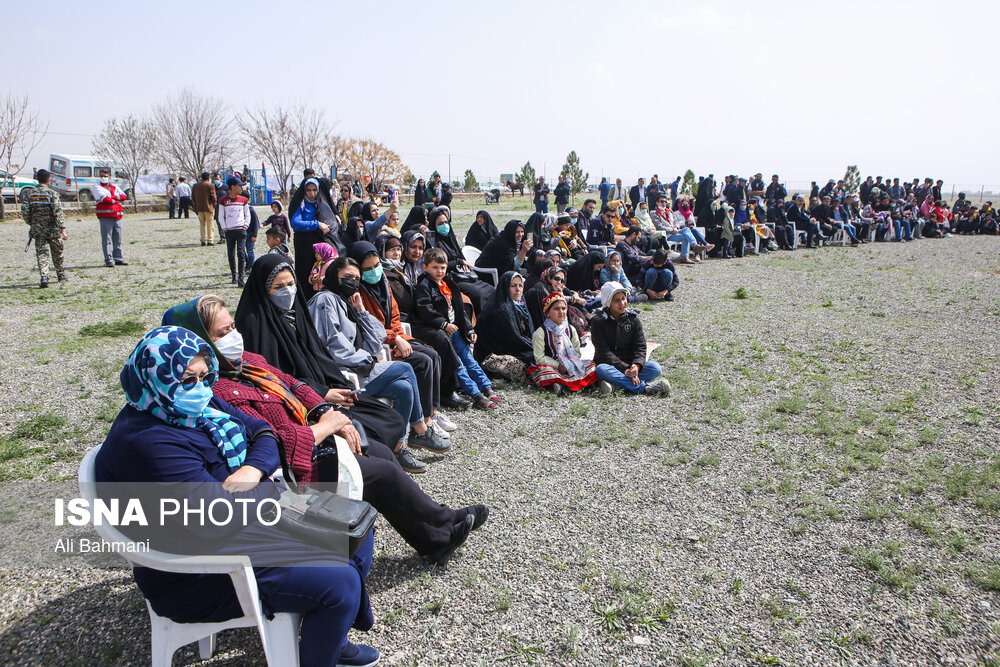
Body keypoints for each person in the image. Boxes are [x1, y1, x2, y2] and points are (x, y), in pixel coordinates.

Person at [97, 325, 383, 667]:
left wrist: (252, 471)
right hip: (199, 568)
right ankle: (327, 642)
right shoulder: (150, 441)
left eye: (205, 376)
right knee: (340, 581)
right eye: (187, 379)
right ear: (154, 378)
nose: (200, 388)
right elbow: (215, 517)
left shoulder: (192, 408)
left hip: (243, 517)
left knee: (356, 524)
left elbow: (263, 431)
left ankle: (332, 636)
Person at [165, 296, 488, 561]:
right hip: (286, 474)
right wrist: (324, 428)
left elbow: (293, 384)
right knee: (380, 474)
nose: (234, 337)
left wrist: (325, 409)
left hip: (309, 438)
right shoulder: (215, 389)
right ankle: (439, 532)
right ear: (200, 341)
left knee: (377, 451)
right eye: (222, 334)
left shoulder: (246, 362)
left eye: (233, 326)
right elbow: (266, 442)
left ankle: (436, 535)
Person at [234, 254, 408, 455]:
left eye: (291, 284)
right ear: (264, 291)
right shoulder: (255, 326)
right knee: (372, 436)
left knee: (389, 417)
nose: (288, 291)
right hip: (301, 404)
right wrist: (322, 394)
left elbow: (319, 356)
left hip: (325, 389)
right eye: (278, 287)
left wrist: (341, 387)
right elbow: (275, 378)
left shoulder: (296, 315)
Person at [308, 257, 450, 467]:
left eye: (356, 278)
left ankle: (396, 448)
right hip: (343, 373)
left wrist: (362, 310)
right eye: (347, 277)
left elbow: (376, 339)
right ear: (333, 276)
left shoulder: (346, 302)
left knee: (403, 388)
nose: (353, 282)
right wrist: (366, 358)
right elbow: (332, 347)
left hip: (360, 366)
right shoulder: (325, 301)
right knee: (405, 367)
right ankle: (420, 430)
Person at [351, 241, 454, 439]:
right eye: (368, 268)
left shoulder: (383, 283)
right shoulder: (359, 292)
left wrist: (398, 336)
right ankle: (422, 421)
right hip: (381, 343)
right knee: (423, 362)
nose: (374, 271)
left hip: (396, 336)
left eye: (376, 265)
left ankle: (431, 412)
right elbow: (370, 326)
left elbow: (395, 315)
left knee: (433, 354)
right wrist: (394, 339)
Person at [384, 233, 469, 411]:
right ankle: (448, 389)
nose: (398, 254)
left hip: (422, 315)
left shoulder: (409, 269)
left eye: (420, 248)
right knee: (440, 338)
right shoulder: (390, 274)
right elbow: (410, 302)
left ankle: (459, 380)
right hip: (408, 320)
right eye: (392, 250)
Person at [416, 247, 498, 410]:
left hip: (456, 331)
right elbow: (424, 309)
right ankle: (476, 395)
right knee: (457, 363)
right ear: (425, 267)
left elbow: (459, 310)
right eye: (435, 267)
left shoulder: (448, 283)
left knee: (468, 358)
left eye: (442, 267)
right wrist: (443, 323)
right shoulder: (424, 285)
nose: (439, 271)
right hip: (443, 332)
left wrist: (468, 329)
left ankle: (486, 386)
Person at [591, 282, 670, 396]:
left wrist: (636, 366)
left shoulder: (633, 320)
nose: (622, 303)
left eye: (623, 298)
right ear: (608, 302)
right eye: (616, 300)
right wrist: (625, 369)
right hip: (609, 364)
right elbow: (603, 352)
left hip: (630, 363)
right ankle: (645, 387)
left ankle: (616, 385)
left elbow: (640, 346)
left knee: (655, 368)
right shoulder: (598, 321)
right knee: (601, 369)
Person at [426, 205, 494, 314]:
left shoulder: (450, 238)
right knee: (479, 294)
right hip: (449, 278)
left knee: (491, 289)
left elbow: (459, 255)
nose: (444, 226)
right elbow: (439, 264)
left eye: (445, 222)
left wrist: (462, 261)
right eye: (440, 224)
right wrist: (459, 262)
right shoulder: (434, 243)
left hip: (462, 275)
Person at [527, 292, 598, 394]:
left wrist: (568, 363)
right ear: (547, 313)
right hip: (552, 366)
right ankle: (563, 385)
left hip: (570, 364)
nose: (561, 312)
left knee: (592, 366)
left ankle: (562, 385)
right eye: (556, 309)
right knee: (544, 372)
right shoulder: (540, 333)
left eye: (563, 308)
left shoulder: (571, 329)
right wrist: (558, 365)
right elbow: (539, 358)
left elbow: (577, 352)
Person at [476, 271, 535, 381]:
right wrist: (536, 348)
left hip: (515, 347)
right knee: (535, 358)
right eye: (513, 286)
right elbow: (513, 340)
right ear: (505, 287)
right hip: (497, 352)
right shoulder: (501, 309)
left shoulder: (519, 305)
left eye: (520, 285)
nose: (518, 289)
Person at [290, 178, 342, 300]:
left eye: (314, 190)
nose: (312, 194)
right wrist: (317, 224)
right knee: (305, 276)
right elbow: (296, 223)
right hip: (305, 247)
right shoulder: (302, 204)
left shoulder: (322, 203)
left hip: (321, 248)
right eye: (308, 190)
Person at [21, 169, 67, 288]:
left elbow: (25, 211)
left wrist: (31, 222)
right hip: (53, 229)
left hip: (38, 229)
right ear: (48, 179)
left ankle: (44, 277)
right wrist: (62, 228)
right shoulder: (52, 194)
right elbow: (57, 212)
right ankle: (60, 274)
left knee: (42, 253)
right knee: (57, 252)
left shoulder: (29, 194)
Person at [218, 176, 251, 287]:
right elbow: (220, 216)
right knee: (231, 254)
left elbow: (247, 214)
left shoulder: (243, 200)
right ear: (232, 187)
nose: (241, 188)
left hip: (241, 230)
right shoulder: (224, 200)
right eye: (239, 186)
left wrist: (245, 226)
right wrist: (224, 228)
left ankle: (241, 278)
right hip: (229, 231)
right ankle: (234, 275)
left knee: (241, 253)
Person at [93, 168, 128, 267]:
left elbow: (124, 196)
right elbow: (104, 199)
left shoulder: (115, 187)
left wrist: (114, 198)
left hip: (117, 216)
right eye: (102, 176)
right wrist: (116, 199)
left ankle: (118, 258)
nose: (103, 178)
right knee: (107, 239)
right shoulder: (97, 187)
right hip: (105, 216)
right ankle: (108, 259)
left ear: (110, 177)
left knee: (117, 239)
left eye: (105, 176)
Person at [192, 172, 218, 246]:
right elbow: (213, 196)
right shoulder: (210, 185)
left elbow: (193, 197)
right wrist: (214, 204)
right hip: (209, 207)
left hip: (199, 207)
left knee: (202, 224)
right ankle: (210, 240)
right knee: (210, 224)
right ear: (208, 178)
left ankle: (203, 240)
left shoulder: (196, 185)